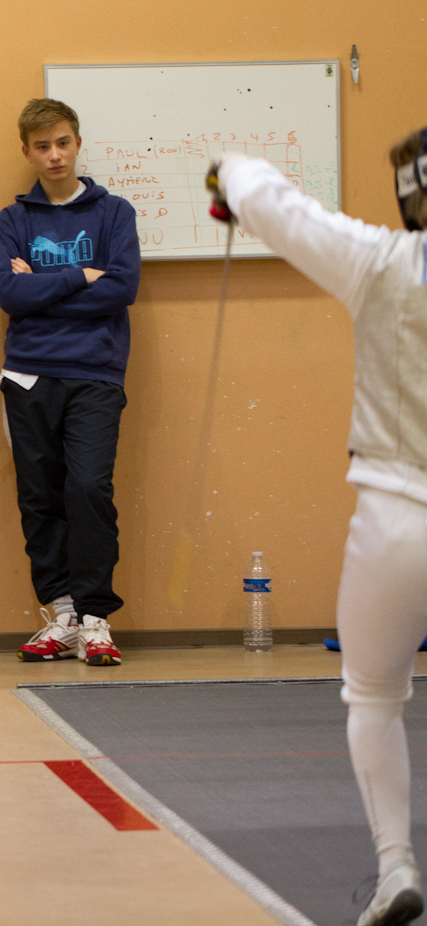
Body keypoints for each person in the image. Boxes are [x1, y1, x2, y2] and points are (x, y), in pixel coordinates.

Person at [212, 135, 427, 926]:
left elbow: (277, 207)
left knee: (372, 693)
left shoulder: (380, 260)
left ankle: (396, 866)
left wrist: (229, 170)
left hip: (397, 514)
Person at [0, 98, 139, 666]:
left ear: (77, 143)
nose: (54, 155)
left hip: (95, 373)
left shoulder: (114, 213)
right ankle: (63, 615)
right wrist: (81, 275)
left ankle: (96, 618)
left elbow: (122, 289)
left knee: (89, 489)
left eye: (62, 143)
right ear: (27, 152)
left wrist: (43, 286)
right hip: (28, 375)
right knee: (40, 497)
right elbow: (10, 294)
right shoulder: (12, 221)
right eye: (42, 146)